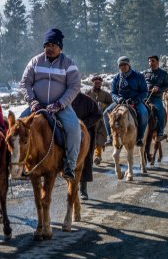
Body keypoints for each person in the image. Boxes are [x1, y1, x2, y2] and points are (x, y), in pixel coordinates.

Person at [19, 28, 82, 181]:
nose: (49, 48)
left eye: (53, 45)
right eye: (47, 45)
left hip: (60, 107)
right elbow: (24, 83)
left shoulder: (69, 64)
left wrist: (60, 104)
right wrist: (32, 101)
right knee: (17, 128)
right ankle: (16, 165)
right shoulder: (35, 62)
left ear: (60, 47)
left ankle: (69, 165)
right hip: (36, 106)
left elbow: (74, 86)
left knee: (74, 129)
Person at [104, 57, 149, 147]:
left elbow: (144, 91)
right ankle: (110, 137)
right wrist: (118, 99)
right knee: (105, 114)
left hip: (135, 101)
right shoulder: (116, 78)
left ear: (129, 65)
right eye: (121, 65)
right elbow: (113, 92)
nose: (123, 67)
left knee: (144, 113)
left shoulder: (138, 76)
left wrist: (136, 100)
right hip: (120, 101)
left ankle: (139, 137)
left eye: (125, 64)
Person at [71, 91, 102, 200]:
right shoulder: (63, 99)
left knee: (84, 161)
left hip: (84, 136)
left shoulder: (87, 100)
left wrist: (83, 124)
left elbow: (98, 114)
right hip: (67, 134)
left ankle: (83, 190)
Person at [143, 55, 168, 140]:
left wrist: (159, 89)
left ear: (157, 62)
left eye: (152, 61)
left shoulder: (163, 74)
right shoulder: (145, 73)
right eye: (149, 61)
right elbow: (140, 84)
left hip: (156, 98)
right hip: (144, 97)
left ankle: (160, 133)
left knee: (161, 112)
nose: (150, 63)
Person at [84, 75, 112, 159]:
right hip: (90, 120)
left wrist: (103, 105)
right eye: (95, 83)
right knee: (89, 138)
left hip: (101, 120)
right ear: (92, 83)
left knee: (100, 137)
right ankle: (88, 157)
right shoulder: (87, 93)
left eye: (99, 83)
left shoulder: (106, 94)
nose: (97, 85)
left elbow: (111, 104)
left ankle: (97, 155)